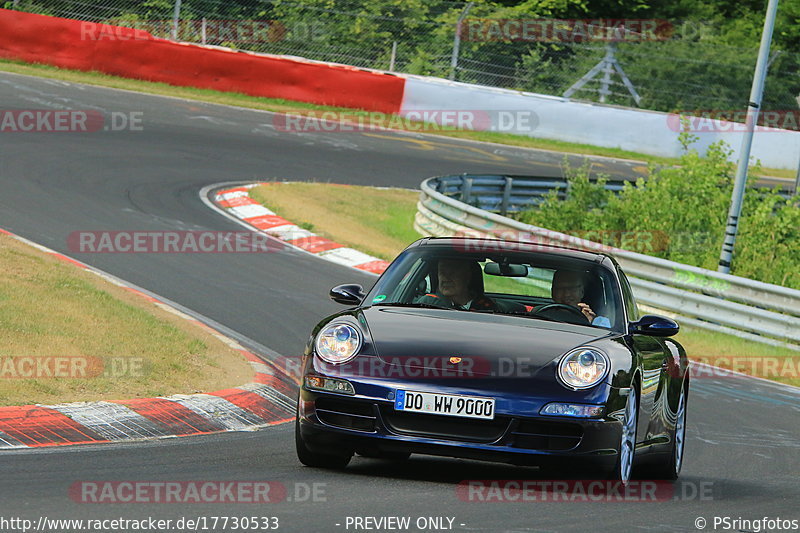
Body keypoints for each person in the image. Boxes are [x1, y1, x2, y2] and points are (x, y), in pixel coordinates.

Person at [415, 258, 495, 311]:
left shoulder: (486, 307)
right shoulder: (428, 303)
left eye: (452, 272)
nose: (445, 277)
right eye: (442, 271)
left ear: (468, 276)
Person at [544, 270, 611, 327]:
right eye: (561, 289)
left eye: (572, 289)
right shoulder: (541, 315)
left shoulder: (600, 322)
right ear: (553, 292)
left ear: (581, 292)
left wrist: (589, 323)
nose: (566, 294)